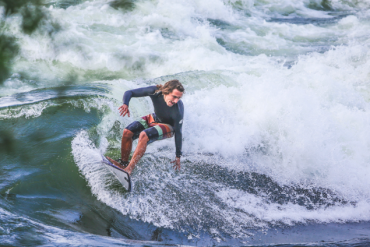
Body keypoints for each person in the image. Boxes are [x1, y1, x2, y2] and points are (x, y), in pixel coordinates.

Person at [106, 80, 184, 176]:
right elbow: (129, 92)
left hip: (169, 127)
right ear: (167, 91)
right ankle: (123, 164)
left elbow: (178, 132)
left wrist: (178, 156)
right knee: (127, 132)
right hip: (155, 118)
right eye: (174, 97)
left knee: (144, 135)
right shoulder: (155, 91)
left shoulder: (178, 110)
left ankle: (129, 169)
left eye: (179, 98)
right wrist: (125, 104)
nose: (176, 101)